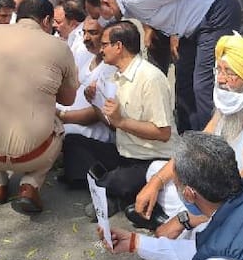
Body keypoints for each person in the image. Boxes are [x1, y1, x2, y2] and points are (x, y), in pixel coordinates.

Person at [132, 35, 243, 246]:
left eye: (230, 73)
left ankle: (184, 229)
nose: (221, 79)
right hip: (218, 195)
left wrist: (183, 220)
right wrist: (155, 183)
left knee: (176, 259)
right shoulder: (231, 107)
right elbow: (194, 151)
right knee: (156, 171)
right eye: (219, 70)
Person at [104, 131, 243, 260]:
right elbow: (203, 248)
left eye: (176, 184)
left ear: (189, 194)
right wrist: (136, 242)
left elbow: (217, 257)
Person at [84, 0, 242, 132]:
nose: (102, 21)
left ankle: (213, 138)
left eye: (99, 15)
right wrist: (174, 33)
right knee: (183, 82)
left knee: (203, 85)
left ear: (105, 2)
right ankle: (188, 136)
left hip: (215, 12)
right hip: (190, 26)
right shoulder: (127, 2)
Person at [0, 0, 76, 212]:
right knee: (57, 126)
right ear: (46, 20)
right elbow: (68, 100)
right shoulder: (59, 47)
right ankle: (30, 184)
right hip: (33, 155)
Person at [67, 21, 175, 219]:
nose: (101, 50)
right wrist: (94, 102)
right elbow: (113, 124)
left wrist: (122, 122)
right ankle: (113, 189)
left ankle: (116, 193)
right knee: (73, 143)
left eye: (104, 44)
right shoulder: (117, 76)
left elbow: (163, 133)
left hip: (150, 158)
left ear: (118, 46)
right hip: (124, 152)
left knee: (116, 181)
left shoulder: (150, 78)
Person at [56, 16, 116, 188]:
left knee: (56, 129)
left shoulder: (112, 66)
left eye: (93, 33)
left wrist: (61, 116)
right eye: (84, 32)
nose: (86, 38)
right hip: (70, 116)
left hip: (95, 128)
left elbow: (95, 114)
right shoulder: (87, 56)